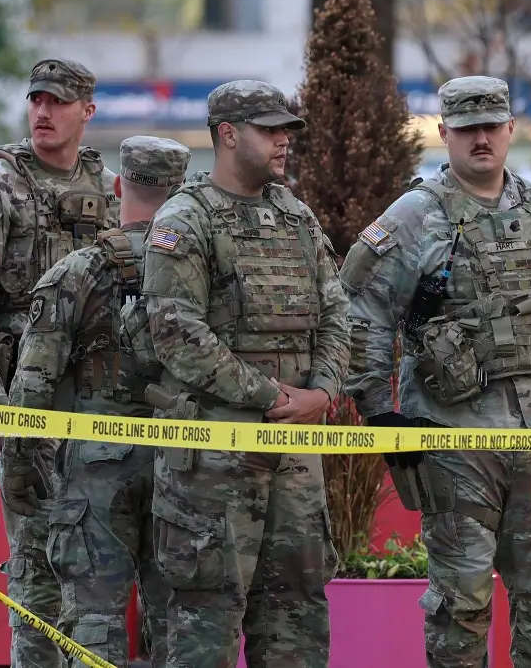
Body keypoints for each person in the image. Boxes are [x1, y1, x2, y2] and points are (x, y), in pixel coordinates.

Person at [338, 76, 531, 668]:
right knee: (460, 608)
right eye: (466, 129)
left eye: (491, 126)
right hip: (455, 445)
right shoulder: (414, 217)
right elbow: (362, 316)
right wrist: (379, 412)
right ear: (444, 133)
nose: (480, 139)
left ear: (511, 129)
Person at [139, 79, 350, 668]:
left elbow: (338, 312)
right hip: (215, 460)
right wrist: (270, 395)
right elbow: (175, 332)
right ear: (228, 134)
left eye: (287, 130)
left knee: (296, 618)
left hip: (295, 453)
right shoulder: (186, 218)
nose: (284, 141)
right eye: (270, 130)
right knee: (205, 624)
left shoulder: (296, 217)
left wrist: (322, 391)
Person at [0, 58, 120, 668]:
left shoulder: (110, 189)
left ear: (86, 111)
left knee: (98, 560)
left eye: (58, 102)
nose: (43, 112)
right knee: (38, 563)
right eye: (36, 100)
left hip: (101, 402)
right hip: (28, 403)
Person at [0, 135, 191, 667]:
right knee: (178, 623)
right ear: (181, 192)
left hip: (96, 470)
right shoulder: (200, 272)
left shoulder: (76, 272)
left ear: (117, 187)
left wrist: (19, 471)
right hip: (186, 466)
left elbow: (32, 388)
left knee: (93, 619)